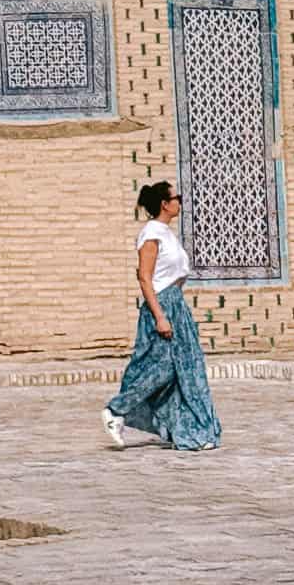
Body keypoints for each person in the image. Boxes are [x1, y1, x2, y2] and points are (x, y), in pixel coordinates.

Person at [101, 181, 221, 452]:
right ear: (165, 204)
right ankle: (116, 409)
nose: (180, 201)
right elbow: (145, 278)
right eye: (176, 197)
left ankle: (191, 429)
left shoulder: (166, 233)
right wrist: (160, 316)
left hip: (176, 305)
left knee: (186, 371)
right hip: (161, 307)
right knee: (161, 368)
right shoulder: (151, 234)